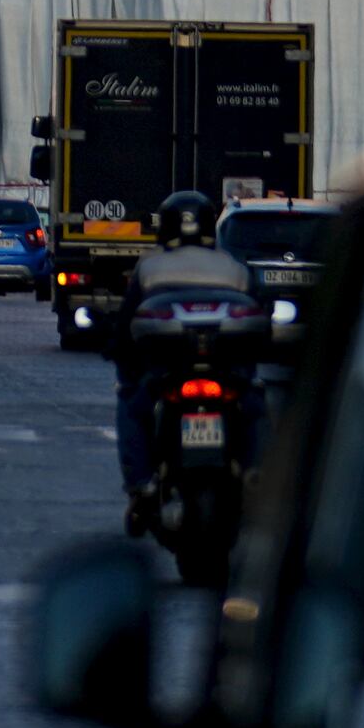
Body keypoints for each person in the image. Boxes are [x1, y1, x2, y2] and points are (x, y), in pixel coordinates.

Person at [110, 186, 255, 524]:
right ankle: (255, 473)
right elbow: (258, 317)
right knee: (255, 402)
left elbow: (126, 325)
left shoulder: (150, 267)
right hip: (225, 371)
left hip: (165, 373)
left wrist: (118, 354)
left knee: (131, 404)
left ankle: (141, 484)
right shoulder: (233, 267)